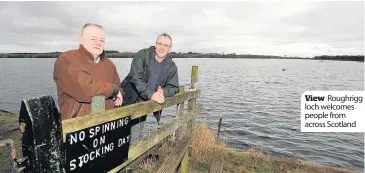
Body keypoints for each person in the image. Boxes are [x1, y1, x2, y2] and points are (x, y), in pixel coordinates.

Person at [53, 23, 123, 120]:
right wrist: (113, 90)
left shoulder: (109, 64)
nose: (98, 43)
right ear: (81, 39)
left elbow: (119, 88)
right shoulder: (67, 59)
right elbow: (85, 90)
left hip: (107, 124)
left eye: (102, 40)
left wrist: (117, 94)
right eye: (93, 39)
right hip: (77, 127)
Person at [120, 33, 179, 143]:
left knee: (137, 133)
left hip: (145, 103)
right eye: (160, 44)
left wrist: (163, 92)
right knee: (121, 134)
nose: (162, 48)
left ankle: (134, 157)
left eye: (165, 45)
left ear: (170, 48)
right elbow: (135, 77)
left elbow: (174, 87)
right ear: (155, 44)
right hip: (128, 99)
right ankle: (125, 158)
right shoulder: (143, 55)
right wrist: (152, 94)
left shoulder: (171, 66)